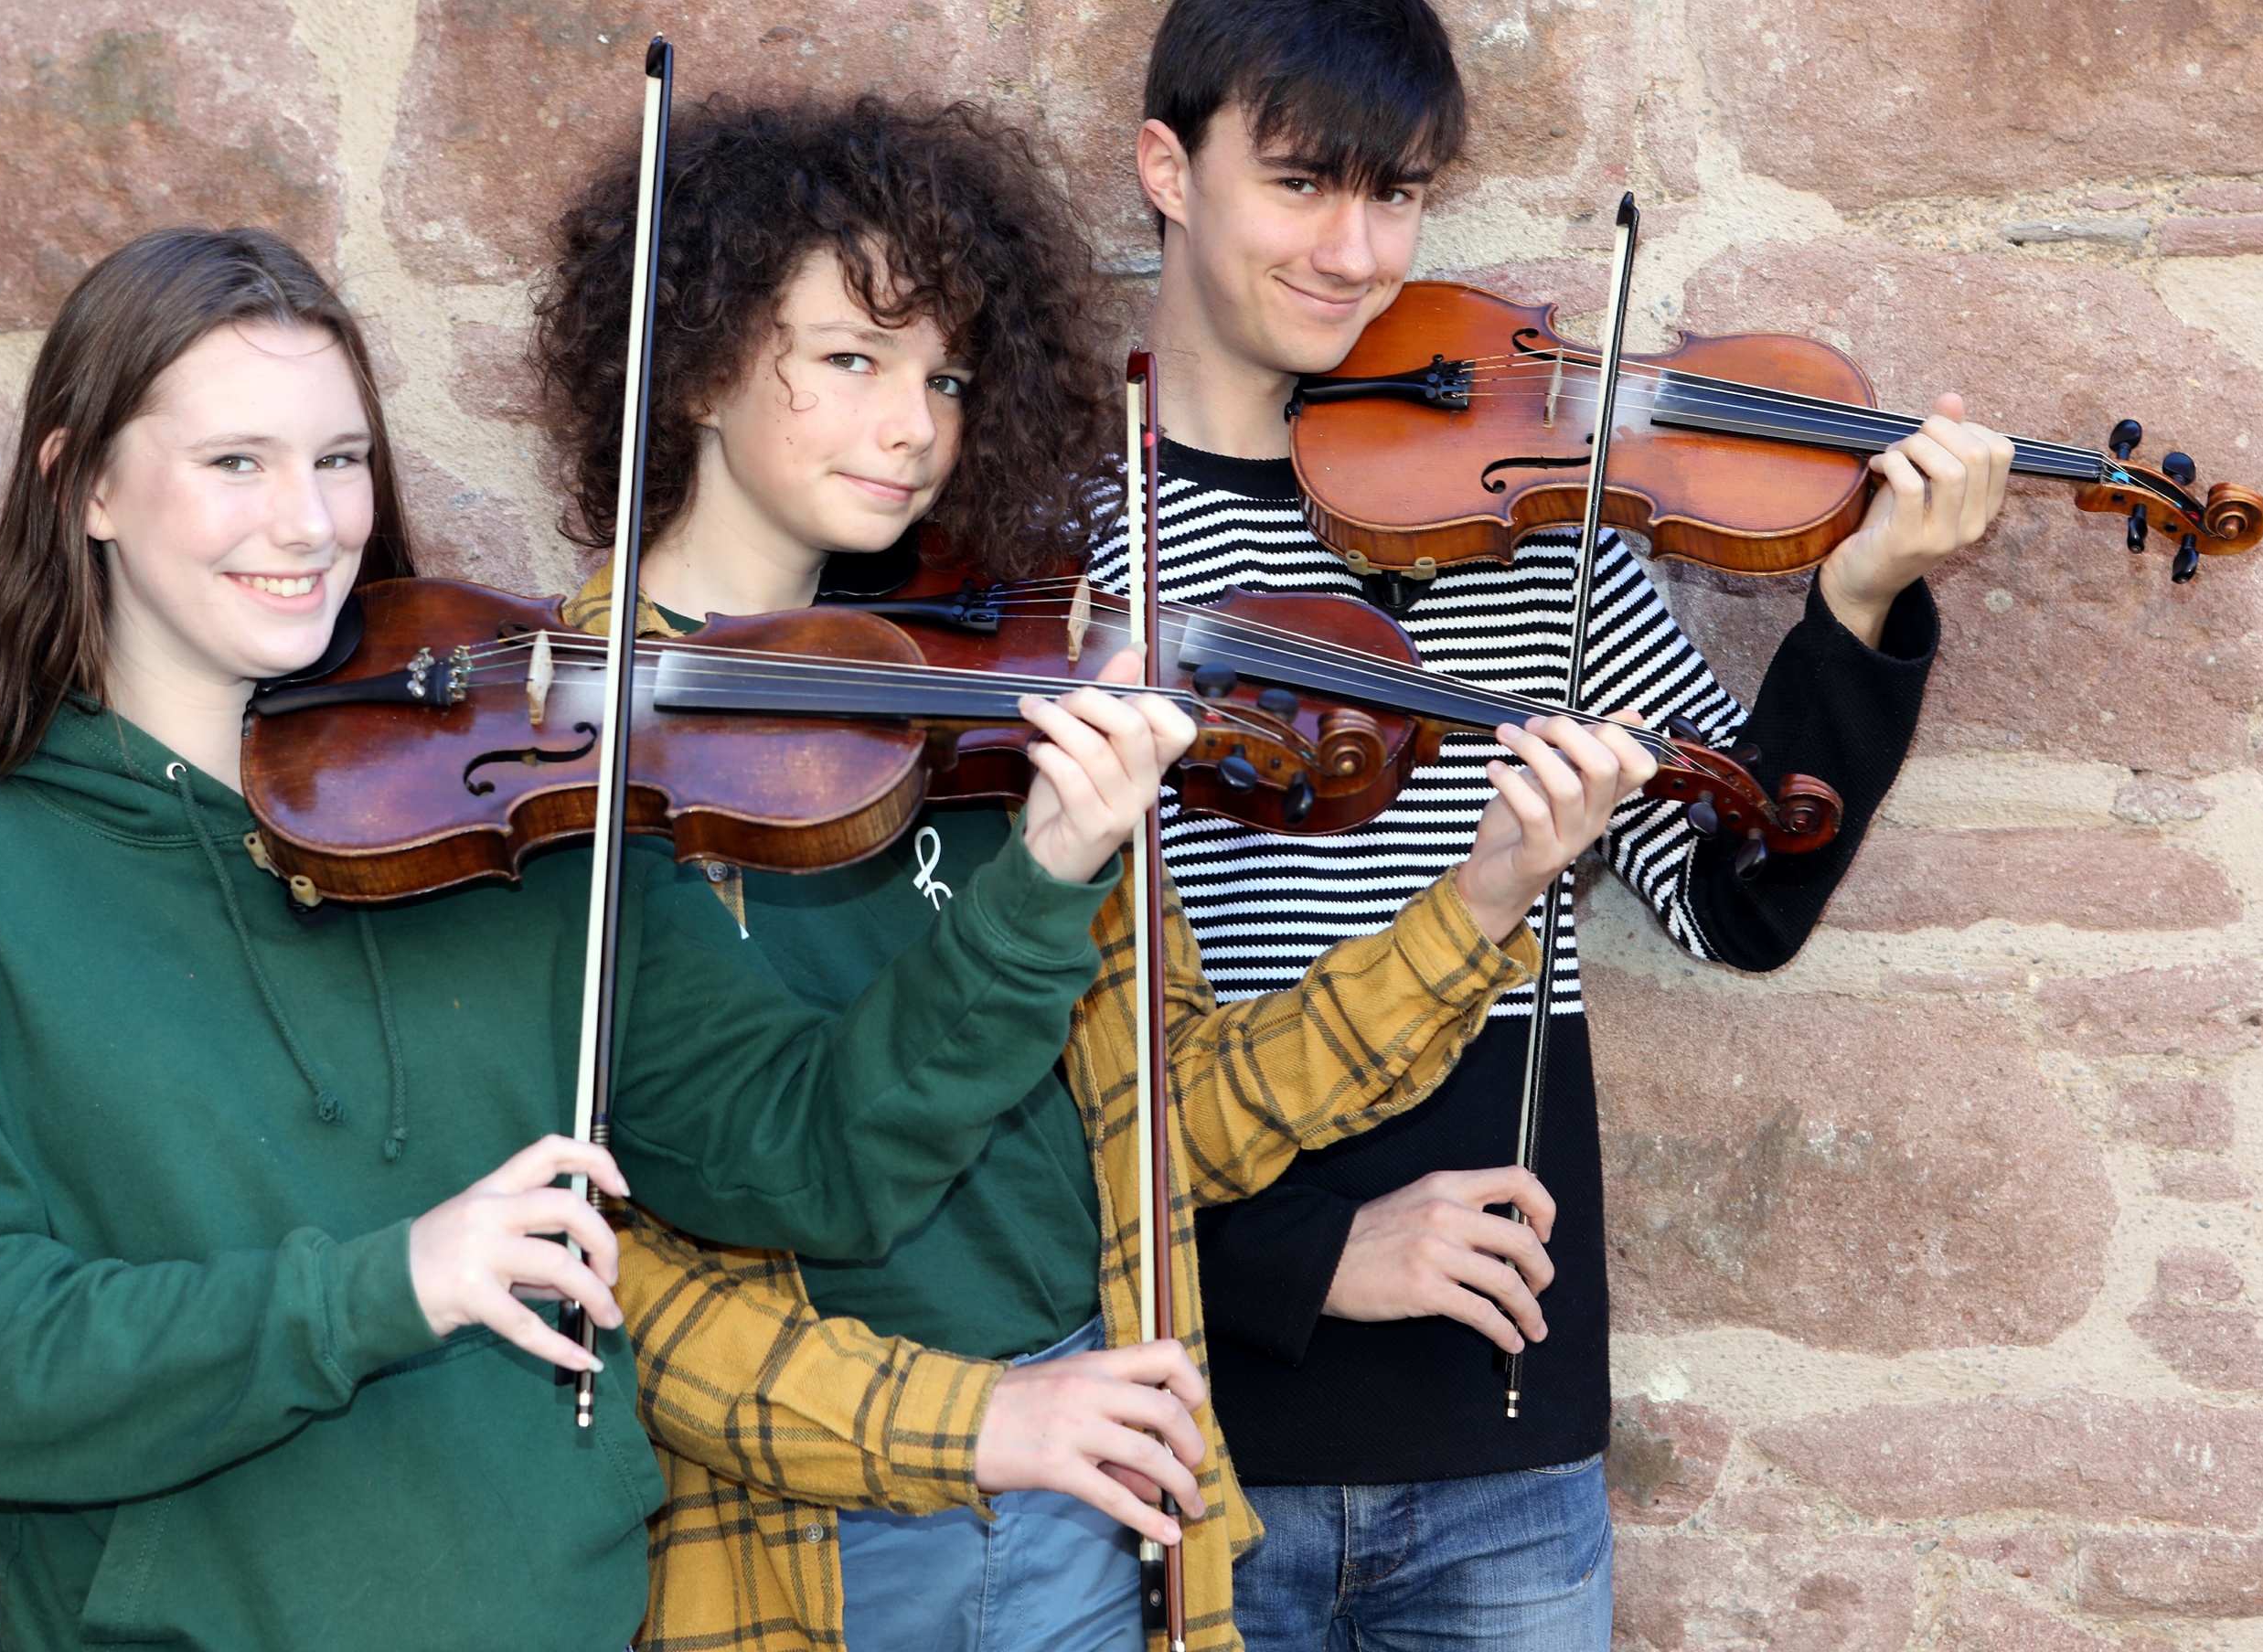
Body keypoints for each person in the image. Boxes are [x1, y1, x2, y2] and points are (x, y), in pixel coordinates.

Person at [528, 97, 1657, 1652]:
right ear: (707, 357)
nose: (916, 425)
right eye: (851, 361)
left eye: (944, 376)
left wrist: (1480, 896)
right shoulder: (558, 756)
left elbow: (1169, 1117)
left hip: (1088, 1512)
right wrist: (982, 1419)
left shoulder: (998, 712)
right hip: (811, 1555)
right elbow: (615, 1294)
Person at [1102, 0, 2014, 1650]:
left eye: (1400, 198)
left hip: (1500, 1467)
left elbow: (1739, 892)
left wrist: (1862, 600)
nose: (1359, 256)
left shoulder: (1529, 527)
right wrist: (1301, 1265)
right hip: (1175, 1438)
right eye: (1301, 186)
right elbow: (1008, 1055)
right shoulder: (1063, 550)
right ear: (1168, 168)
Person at [0, 229, 666, 1650]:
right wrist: (380, 1288)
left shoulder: (503, 830)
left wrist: (1041, 885)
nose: (310, 522)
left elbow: (808, 1163)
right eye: (235, 463)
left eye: (340, 459)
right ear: (81, 483)